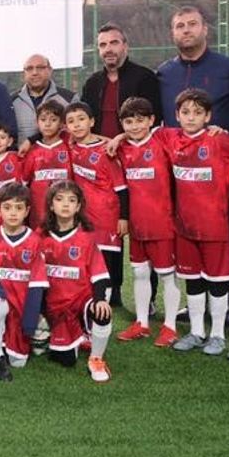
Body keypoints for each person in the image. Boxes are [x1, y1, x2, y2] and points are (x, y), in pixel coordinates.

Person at [164, 89, 229, 356]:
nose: (191, 117)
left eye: (198, 112)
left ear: (208, 116)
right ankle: (197, 331)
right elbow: (139, 135)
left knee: (218, 282)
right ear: (177, 115)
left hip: (216, 228)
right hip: (185, 228)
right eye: (185, 112)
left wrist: (224, 132)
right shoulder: (169, 138)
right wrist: (120, 136)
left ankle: (218, 335)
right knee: (193, 281)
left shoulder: (219, 141)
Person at [114, 97, 180, 347]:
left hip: (162, 223)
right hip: (137, 225)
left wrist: (216, 129)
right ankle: (141, 322)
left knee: (166, 276)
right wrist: (119, 137)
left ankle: (170, 326)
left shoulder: (162, 139)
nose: (134, 126)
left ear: (152, 120)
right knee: (140, 273)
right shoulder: (122, 147)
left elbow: (190, 133)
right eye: (128, 122)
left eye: (140, 120)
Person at [36, 181, 114, 382]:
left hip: (80, 302)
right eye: (59, 199)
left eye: (71, 200)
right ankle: (62, 333)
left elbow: (100, 275)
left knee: (102, 312)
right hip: (53, 306)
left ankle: (96, 358)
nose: (65, 204)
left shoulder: (86, 238)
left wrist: (100, 300)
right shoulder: (40, 236)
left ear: (78, 207)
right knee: (65, 359)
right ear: (51, 205)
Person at [62, 103, 129, 306]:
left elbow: (121, 188)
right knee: (87, 256)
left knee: (108, 258)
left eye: (81, 119)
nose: (77, 125)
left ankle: (110, 297)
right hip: (83, 215)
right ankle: (91, 297)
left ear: (91, 121)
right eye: (71, 121)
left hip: (107, 215)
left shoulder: (107, 150)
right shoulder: (70, 147)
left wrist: (124, 217)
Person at [0, 182, 44, 382]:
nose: (13, 213)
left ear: (27, 211)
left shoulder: (34, 240)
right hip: (1, 295)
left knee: (18, 361)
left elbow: (37, 283)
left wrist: (30, 319)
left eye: (18, 207)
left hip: (22, 300)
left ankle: (32, 333)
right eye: (7, 207)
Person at [156, 7, 229, 131]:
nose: (186, 30)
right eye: (180, 26)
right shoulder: (164, 73)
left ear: (205, 29)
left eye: (192, 24)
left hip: (220, 143)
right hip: (175, 144)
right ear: (173, 33)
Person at [79, 23, 162, 139]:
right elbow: (83, 119)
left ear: (125, 46)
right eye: (103, 45)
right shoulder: (92, 83)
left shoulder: (145, 78)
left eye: (114, 43)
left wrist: (122, 138)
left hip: (135, 148)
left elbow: (155, 120)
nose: (108, 49)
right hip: (99, 148)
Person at [20, 101, 71, 230]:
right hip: (38, 210)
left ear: (61, 123)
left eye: (53, 120)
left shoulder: (69, 145)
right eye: (43, 120)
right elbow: (24, 182)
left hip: (66, 209)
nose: (47, 124)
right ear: (37, 123)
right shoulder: (32, 150)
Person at [12, 53, 75, 144]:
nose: (35, 73)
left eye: (40, 68)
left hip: (60, 152)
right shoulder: (12, 102)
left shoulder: (69, 99)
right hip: (23, 153)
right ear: (24, 73)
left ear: (50, 70)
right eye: (29, 68)